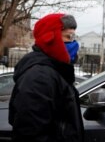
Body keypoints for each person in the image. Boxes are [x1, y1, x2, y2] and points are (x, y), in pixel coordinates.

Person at [8, 13, 84, 142]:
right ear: (50, 39)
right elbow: (30, 133)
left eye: (74, 37)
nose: (74, 43)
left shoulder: (55, 72)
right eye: (68, 37)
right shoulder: (39, 77)